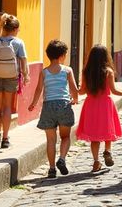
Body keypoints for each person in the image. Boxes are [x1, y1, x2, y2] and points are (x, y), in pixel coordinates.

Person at [27, 40, 79, 178]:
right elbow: (73, 88)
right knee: (65, 136)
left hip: (48, 106)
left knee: (51, 140)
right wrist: (75, 98)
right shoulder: (67, 70)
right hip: (63, 105)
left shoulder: (44, 72)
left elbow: (39, 89)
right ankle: (61, 159)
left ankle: (51, 169)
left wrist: (33, 103)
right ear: (62, 55)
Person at [76, 45, 122, 172]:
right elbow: (114, 90)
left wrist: (73, 89)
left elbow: (82, 92)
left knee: (94, 135)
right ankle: (107, 151)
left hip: (90, 105)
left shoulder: (86, 72)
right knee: (108, 130)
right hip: (105, 104)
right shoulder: (108, 71)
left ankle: (96, 161)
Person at [0, 13, 28, 149]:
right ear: (15, 29)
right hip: (11, 77)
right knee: (7, 107)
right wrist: (26, 75)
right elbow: (23, 60)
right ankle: (5, 138)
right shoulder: (18, 43)